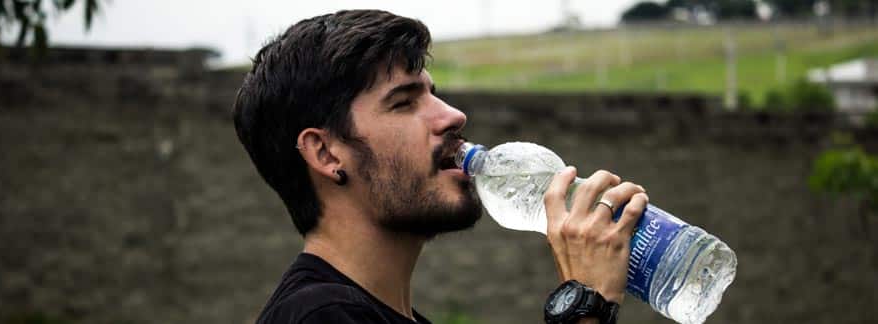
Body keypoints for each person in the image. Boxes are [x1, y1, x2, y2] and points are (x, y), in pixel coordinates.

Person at [233, 9, 648, 324]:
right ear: (325, 153)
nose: (453, 116)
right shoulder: (321, 316)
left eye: (434, 94)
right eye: (403, 102)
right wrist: (585, 302)